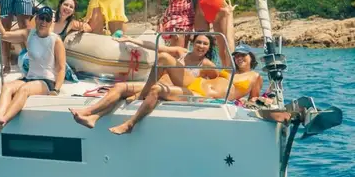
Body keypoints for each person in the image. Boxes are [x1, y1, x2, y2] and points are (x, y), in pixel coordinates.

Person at [107, 43, 263, 135]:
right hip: (195, 83)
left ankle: (130, 124)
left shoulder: (255, 77)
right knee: (164, 58)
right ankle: (141, 95)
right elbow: (224, 47)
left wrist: (261, 100)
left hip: (200, 94)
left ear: (251, 57)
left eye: (243, 55)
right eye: (237, 56)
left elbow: (253, 99)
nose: (239, 58)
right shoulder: (229, 70)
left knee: (157, 89)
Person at [69, 33, 216, 129]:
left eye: (205, 44)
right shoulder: (181, 52)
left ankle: (95, 113)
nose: (201, 46)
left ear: (209, 47)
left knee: (151, 82)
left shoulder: (207, 65)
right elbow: (157, 47)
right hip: (156, 84)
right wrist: (132, 40)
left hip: (170, 91)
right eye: (198, 42)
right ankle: (92, 116)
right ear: (193, 42)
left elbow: (220, 80)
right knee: (119, 87)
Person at [0, 5, 65, 133]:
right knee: (7, 86)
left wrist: (56, 89)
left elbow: (61, 68)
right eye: (41, 18)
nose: (43, 22)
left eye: (47, 19)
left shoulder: (56, 40)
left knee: (24, 89)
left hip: (47, 81)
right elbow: (3, 34)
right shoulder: (28, 34)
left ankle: (3, 121)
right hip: (29, 77)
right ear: (36, 19)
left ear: (50, 22)